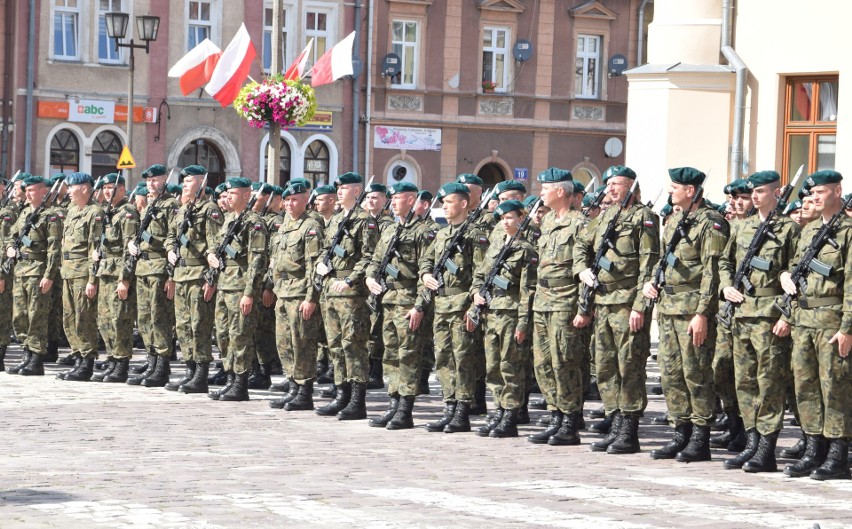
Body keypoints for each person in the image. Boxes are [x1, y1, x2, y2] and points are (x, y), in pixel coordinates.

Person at [642, 167, 729, 462]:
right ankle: (681, 433)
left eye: (674, 187)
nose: (670, 191)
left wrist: (703, 313)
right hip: (668, 309)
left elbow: (712, 272)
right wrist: (652, 282)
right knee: (671, 375)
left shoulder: (711, 223)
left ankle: (700, 439)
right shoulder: (675, 220)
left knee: (696, 374)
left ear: (690, 191)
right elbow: (664, 260)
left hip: (692, 310)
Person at [574, 165, 660, 454]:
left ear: (632, 188)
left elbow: (649, 265)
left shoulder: (644, 218)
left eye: (617, 184)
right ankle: (614, 421)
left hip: (627, 304)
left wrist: (640, 307)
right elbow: (581, 243)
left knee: (630, 367)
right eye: (609, 184)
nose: (611, 189)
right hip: (603, 302)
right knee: (606, 367)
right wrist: (582, 269)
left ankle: (629, 430)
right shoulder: (606, 216)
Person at [719, 170, 800, 472]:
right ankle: (751, 443)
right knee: (745, 382)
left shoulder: (789, 229)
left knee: (769, 384)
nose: (754, 196)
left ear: (776, 194)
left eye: (761, 191)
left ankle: (766, 449)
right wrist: (726, 286)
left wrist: (787, 315)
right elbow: (725, 262)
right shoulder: (743, 227)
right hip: (741, 314)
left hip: (769, 315)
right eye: (752, 191)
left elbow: (797, 273)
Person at [780, 170, 852, 480]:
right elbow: (795, 269)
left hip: (831, 321)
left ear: (837, 191)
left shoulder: (848, 232)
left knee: (834, 388)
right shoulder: (808, 233)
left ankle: (837, 454)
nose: (815, 198)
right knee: (806, 387)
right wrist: (784, 276)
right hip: (804, 321)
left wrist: (847, 328)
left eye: (821, 192)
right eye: (812, 194)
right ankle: (814, 449)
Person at [419, 182, 489, 433]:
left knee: (463, 359)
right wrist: (426, 274)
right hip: (441, 304)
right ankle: (449, 408)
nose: (444, 207)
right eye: (443, 203)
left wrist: (473, 307)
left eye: (448, 202)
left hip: (461, 304)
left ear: (462, 203)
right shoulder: (441, 234)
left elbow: (482, 273)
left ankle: (462, 411)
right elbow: (425, 261)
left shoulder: (474, 234)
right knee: (443, 359)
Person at [365, 182, 434, 429]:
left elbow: (428, 272)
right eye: (392, 198)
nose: (393, 202)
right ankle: (393, 404)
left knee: (408, 357)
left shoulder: (423, 232)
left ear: (412, 200)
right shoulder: (390, 229)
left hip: (408, 302)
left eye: (398, 198)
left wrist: (419, 306)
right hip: (389, 300)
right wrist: (370, 278)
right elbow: (375, 260)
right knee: (391, 356)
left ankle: (405, 410)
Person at [527, 168, 586, 446]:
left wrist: (583, 308)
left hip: (565, 300)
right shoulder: (548, 221)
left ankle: (570, 421)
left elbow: (585, 267)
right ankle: (555, 416)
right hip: (543, 299)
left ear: (561, 191)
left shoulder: (580, 223)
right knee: (543, 363)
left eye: (545, 188)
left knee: (565, 362)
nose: (541, 193)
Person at [471, 199, 537, 438]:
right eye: (502, 218)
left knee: (511, 367)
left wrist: (523, 323)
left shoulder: (526, 250)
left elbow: (527, 290)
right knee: (493, 368)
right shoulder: (496, 245)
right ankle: (498, 411)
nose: (506, 222)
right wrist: (476, 293)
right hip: (491, 313)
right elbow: (480, 273)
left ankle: (510, 415)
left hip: (510, 314)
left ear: (521, 218)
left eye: (510, 217)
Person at [315, 172, 378, 418]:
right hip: (331, 291)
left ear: (356, 191)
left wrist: (351, 279)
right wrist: (321, 264)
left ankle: (357, 400)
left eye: (344, 188)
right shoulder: (336, 219)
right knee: (335, 346)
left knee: (353, 345)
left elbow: (370, 256)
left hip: (352, 293)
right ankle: (341, 393)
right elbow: (325, 249)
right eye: (338, 189)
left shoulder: (365, 221)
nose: (339, 192)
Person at [206, 177, 268, 402]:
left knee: (240, 336)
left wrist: (249, 293)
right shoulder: (230, 219)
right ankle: (230, 378)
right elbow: (215, 244)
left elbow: (257, 261)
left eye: (233, 194)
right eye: (228, 193)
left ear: (245, 195)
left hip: (241, 287)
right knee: (223, 335)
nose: (228, 197)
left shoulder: (254, 222)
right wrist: (211, 254)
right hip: (224, 285)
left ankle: (240, 384)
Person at [165, 165, 223, 393]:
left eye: (189, 182)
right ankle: (189, 371)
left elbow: (215, 246)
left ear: (201, 183)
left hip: (198, 275)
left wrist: (211, 279)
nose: (184, 185)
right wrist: (170, 249)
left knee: (199, 325)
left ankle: (201, 374)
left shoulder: (210, 210)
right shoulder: (182, 209)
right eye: (184, 181)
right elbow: (171, 236)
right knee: (183, 326)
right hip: (181, 274)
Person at [268, 183, 325, 411]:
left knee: (302, 342)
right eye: (287, 200)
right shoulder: (284, 226)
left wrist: (311, 298)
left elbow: (314, 266)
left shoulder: (310, 227)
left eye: (295, 200)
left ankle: (304, 391)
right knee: (285, 343)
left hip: (300, 292)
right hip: (283, 293)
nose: (290, 204)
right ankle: (292, 386)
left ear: (305, 200)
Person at [126, 164, 180, 387]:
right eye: (148, 181)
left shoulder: (170, 206)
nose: (151, 184)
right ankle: (151, 361)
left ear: (164, 180)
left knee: (159, 318)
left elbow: (172, 239)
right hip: (143, 268)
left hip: (159, 268)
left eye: (155, 180)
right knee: (145, 319)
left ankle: (162, 366)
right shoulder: (150, 205)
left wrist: (170, 276)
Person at [5, 175, 62, 375]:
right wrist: (11, 248)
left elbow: (55, 249)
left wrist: (49, 276)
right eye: (26, 190)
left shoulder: (50, 216)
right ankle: (26, 355)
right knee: (20, 317)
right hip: (20, 271)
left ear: (42, 191)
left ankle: (36, 359)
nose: (27, 194)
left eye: (31, 190)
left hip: (38, 272)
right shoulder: (24, 214)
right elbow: (11, 237)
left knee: (37, 315)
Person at [54, 172, 104, 381]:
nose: (68, 192)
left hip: (83, 273)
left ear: (84, 188)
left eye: (72, 187)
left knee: (84, 318)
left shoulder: (95, 212)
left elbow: (95, 248)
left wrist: (92, 279)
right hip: (68, 271)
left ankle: (87, 361)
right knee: (69, 318)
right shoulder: (72, 210)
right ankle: (78, 358)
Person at [91, 172, 139, 383]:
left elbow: (130, 248)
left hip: (118, 271)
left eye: (112, 187)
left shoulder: (128, 212)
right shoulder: (107, 212)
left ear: (122, 189)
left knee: (120, 320)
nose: (108, 191)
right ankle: (111, 359)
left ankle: (121, 364)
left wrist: (125, 279)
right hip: (105, 270)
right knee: (105, 320)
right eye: (105, 188)